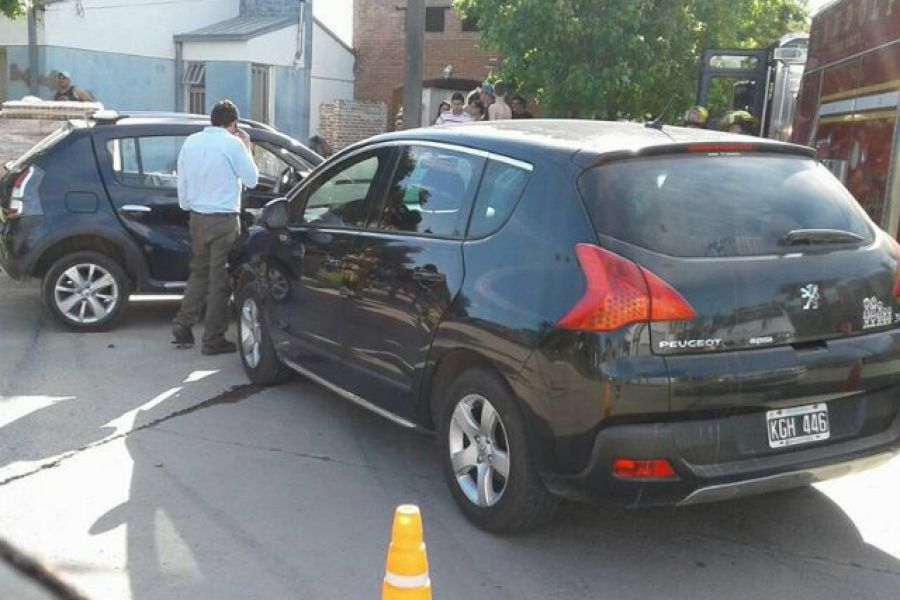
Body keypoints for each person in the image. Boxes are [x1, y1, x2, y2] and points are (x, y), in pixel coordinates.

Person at [171, 99, 259, 355]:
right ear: (234, 124)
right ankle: (213, 340)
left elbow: (183, 181)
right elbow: (252, 180)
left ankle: (183, 324)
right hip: (223, 219)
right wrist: (247, 145)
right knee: (220, 282)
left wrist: (189, 206)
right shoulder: (233, 144)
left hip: (197, 217)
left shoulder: (192, 142)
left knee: (198, 274)